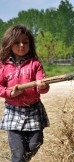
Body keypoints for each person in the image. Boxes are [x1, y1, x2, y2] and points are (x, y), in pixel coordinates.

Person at [0, 24, 50, 162]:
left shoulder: (35, 64)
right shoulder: (3, 65)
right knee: (18, 153)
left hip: (33, 111)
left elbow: (43, 86)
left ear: (30, 44)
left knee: (35, 143)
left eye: (25, 42)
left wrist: (42, 86)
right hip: (13, 112)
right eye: (16, 42)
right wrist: (9, 94)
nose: (21, 45)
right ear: (9, 44)